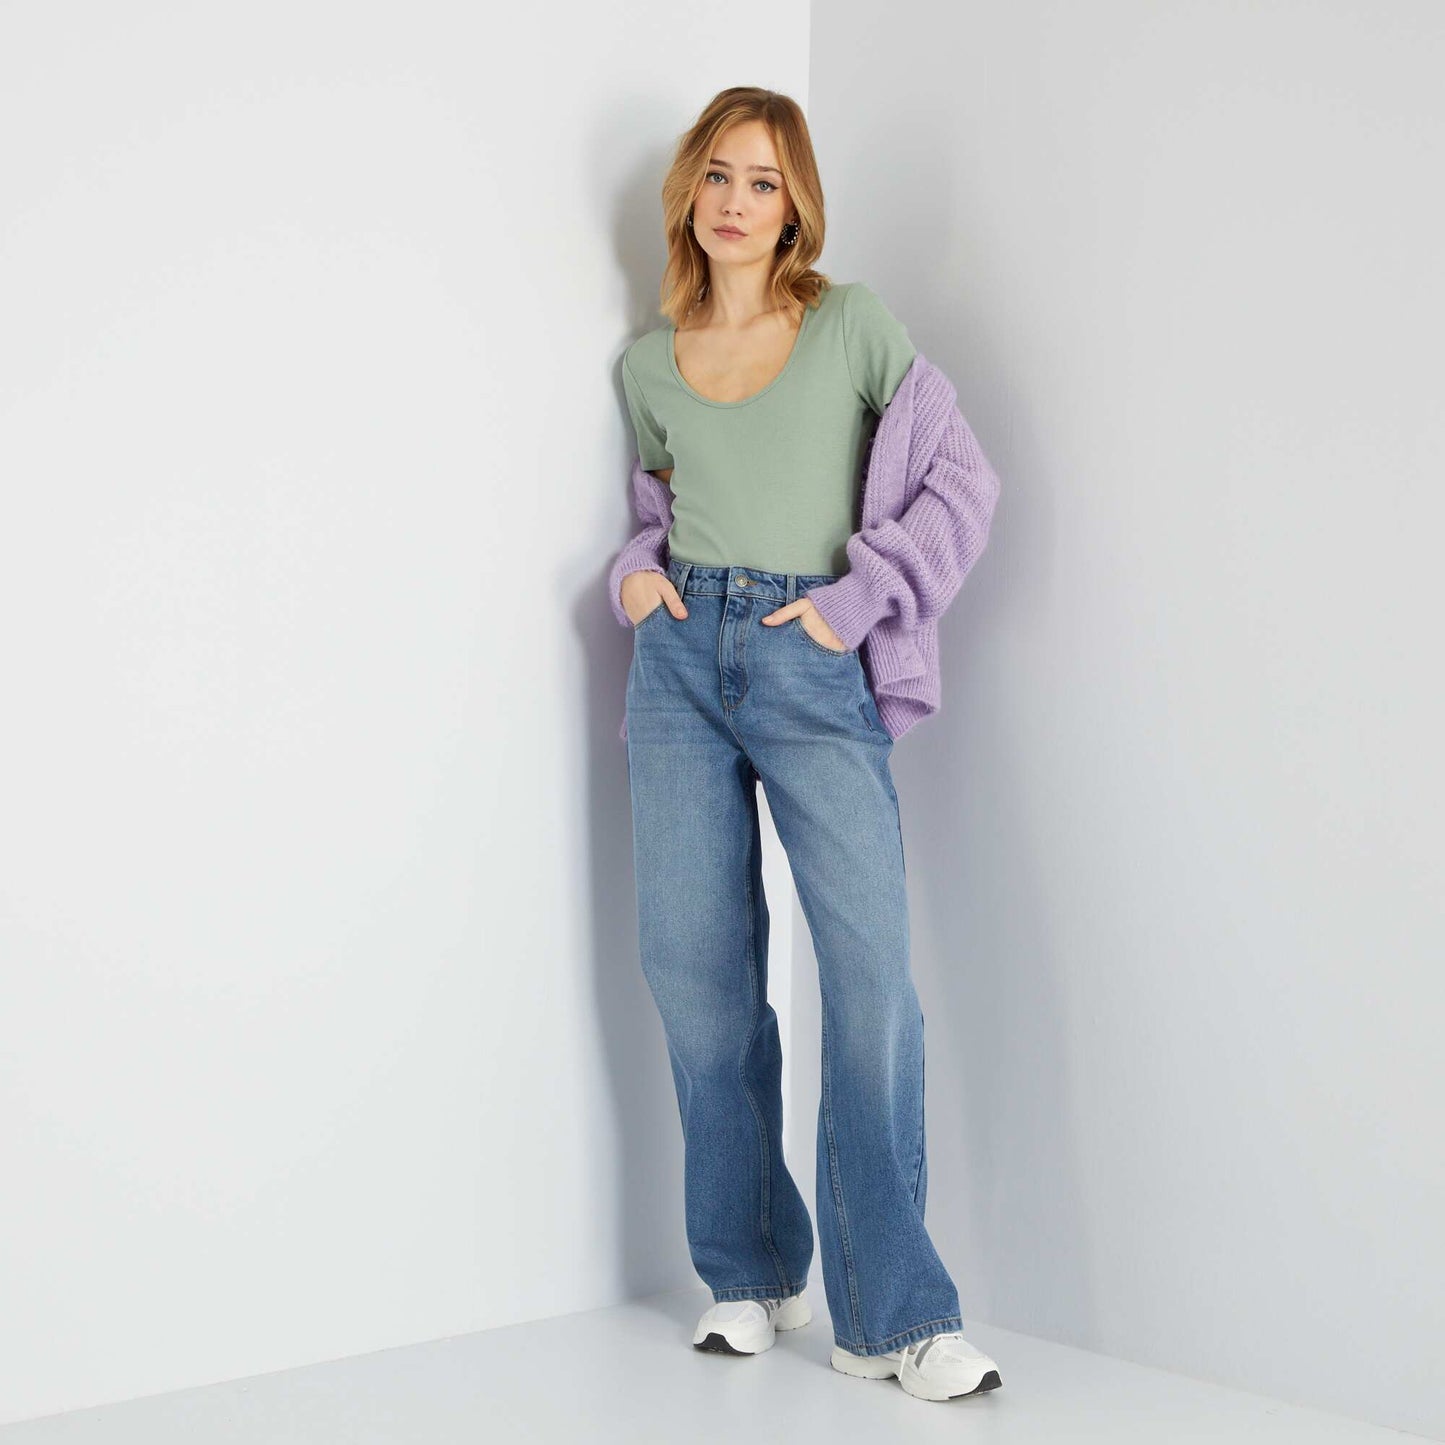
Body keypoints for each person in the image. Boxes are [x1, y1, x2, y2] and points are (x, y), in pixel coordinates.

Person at [611, 86, 1003, 1406]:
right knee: (695, 973)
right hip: (679, 665)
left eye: (763, 181)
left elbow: (961, 480)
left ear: (796, 207)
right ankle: (753, 1270)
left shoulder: (850, 325)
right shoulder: (649, 363)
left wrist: (857, 601)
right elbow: (659, 506)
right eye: (717, 176)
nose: (735, 202)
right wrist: (633, 575)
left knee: (871, 982)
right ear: (689, 193)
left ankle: (894, 1316)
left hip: (807, 656)